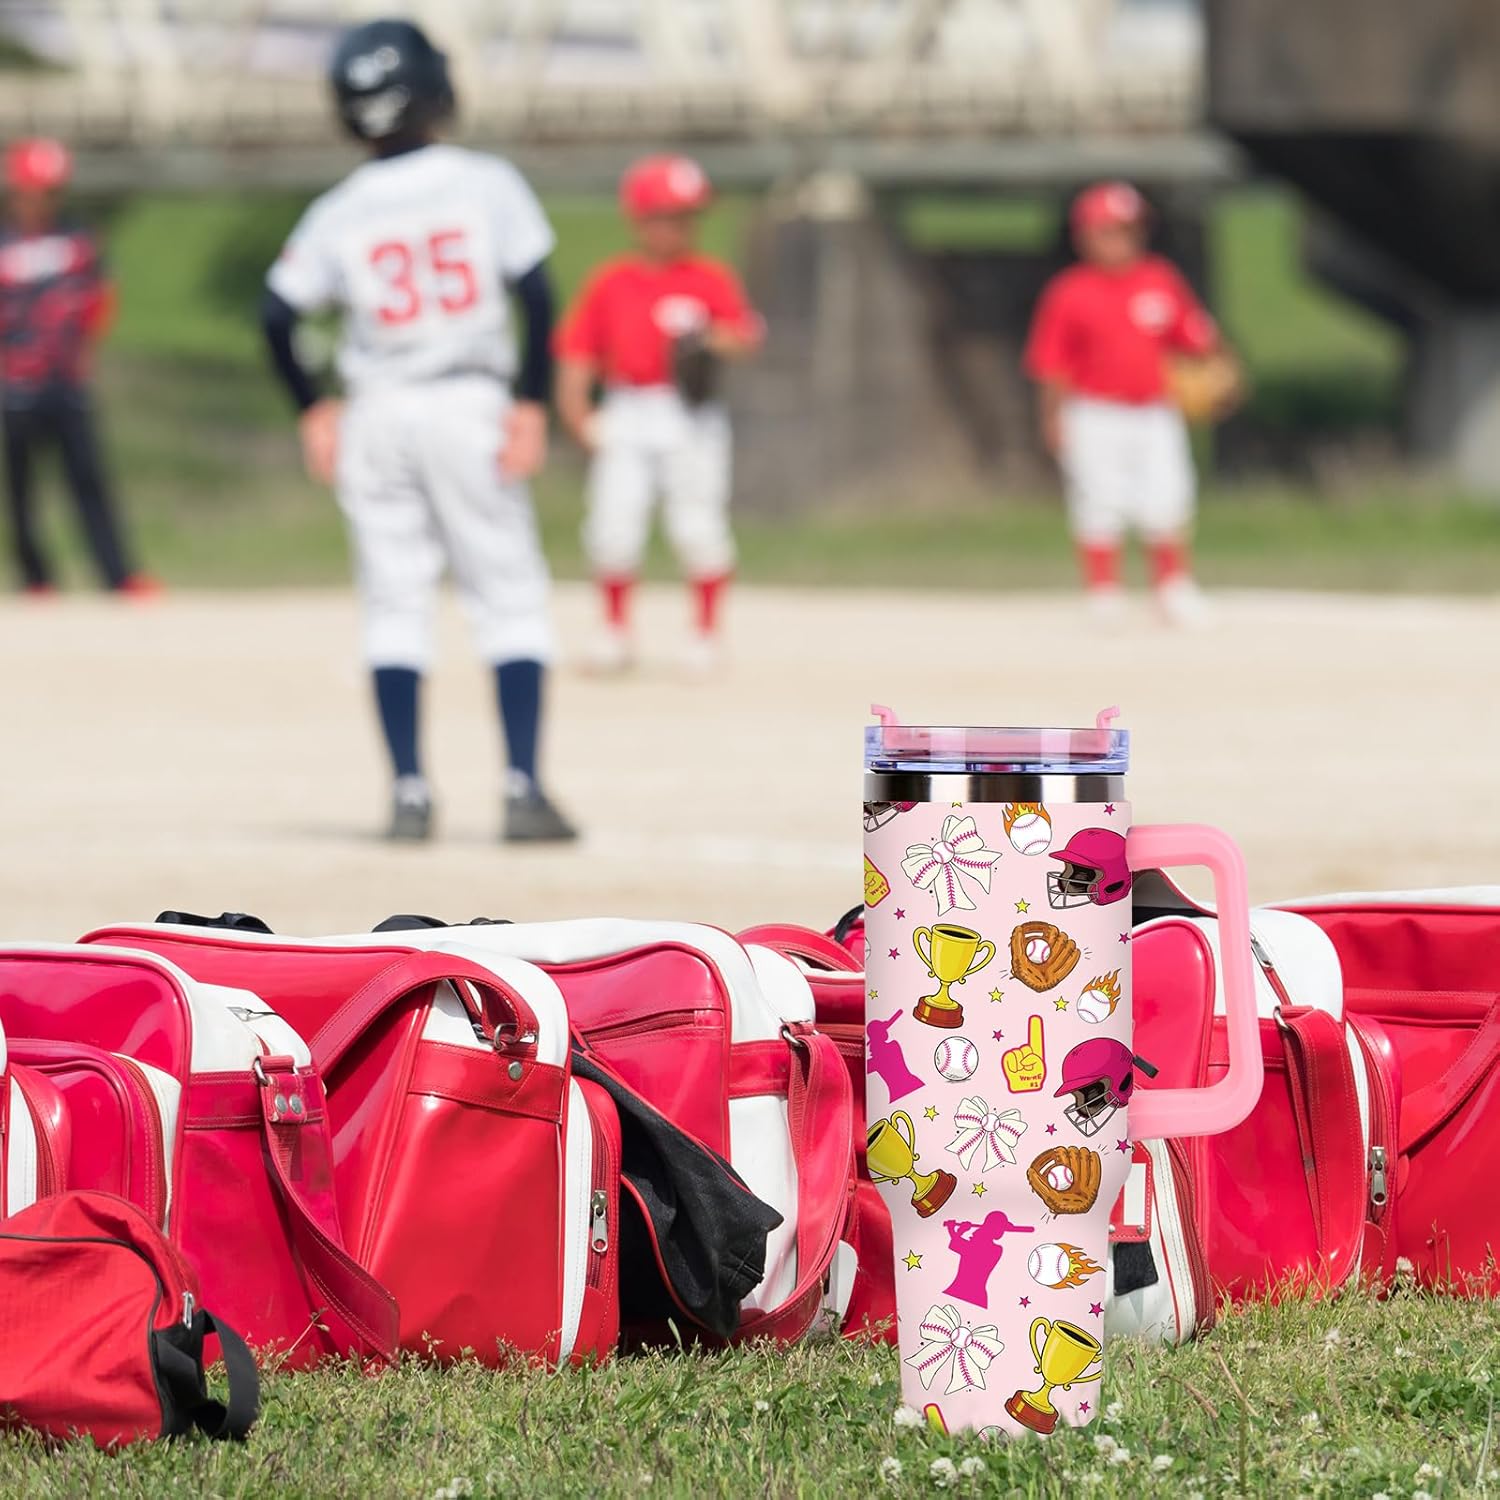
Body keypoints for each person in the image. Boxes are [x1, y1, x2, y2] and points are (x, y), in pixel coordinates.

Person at [260, 18, 576, 844]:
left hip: (377, 411)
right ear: (433, 89)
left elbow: (276, 313)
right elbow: (537, 294)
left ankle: (407, 791)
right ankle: (521, 787)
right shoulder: (483, 180)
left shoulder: (339, 208)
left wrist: (311, 405)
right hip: (465, 401)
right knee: (506, 593)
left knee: (394, 601)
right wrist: (533, 402)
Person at [555, 156, 763, 674]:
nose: (679, 227)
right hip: (628, 406)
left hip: (687, 412)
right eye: (667, 216)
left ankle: (706, 633)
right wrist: (577, 411)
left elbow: (744, 337)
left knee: (697, 522)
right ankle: (614, 630)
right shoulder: (613, 281)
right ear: (641, 219)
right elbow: (578, 350)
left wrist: (710, 337)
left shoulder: (708, 279)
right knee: (613, 523)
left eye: (687, 217)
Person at [1024, 181, 1226, 625]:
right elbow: (1052, 364)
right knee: (1099, 499)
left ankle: (1171, 587)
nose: (1120, 240)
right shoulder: (1070, 292)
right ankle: (1104, 591)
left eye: (1128, 230)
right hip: (1095, 412)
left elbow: (1196, 337)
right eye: (1109, 231)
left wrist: (1221, 370)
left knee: (1167, 497)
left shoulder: (1160, 279)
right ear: (1085, 237)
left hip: (1155, 410)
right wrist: (1052, 417)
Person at [0, 137, 154, 597]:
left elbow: (100, 296)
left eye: (52, 190)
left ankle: (118, 575)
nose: (44, 199)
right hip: (13, 387)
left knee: (89, 483)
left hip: (66, 382)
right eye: (36, 189)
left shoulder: (77, 238)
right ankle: (36, 578)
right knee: (21, 491)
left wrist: (86, 348)